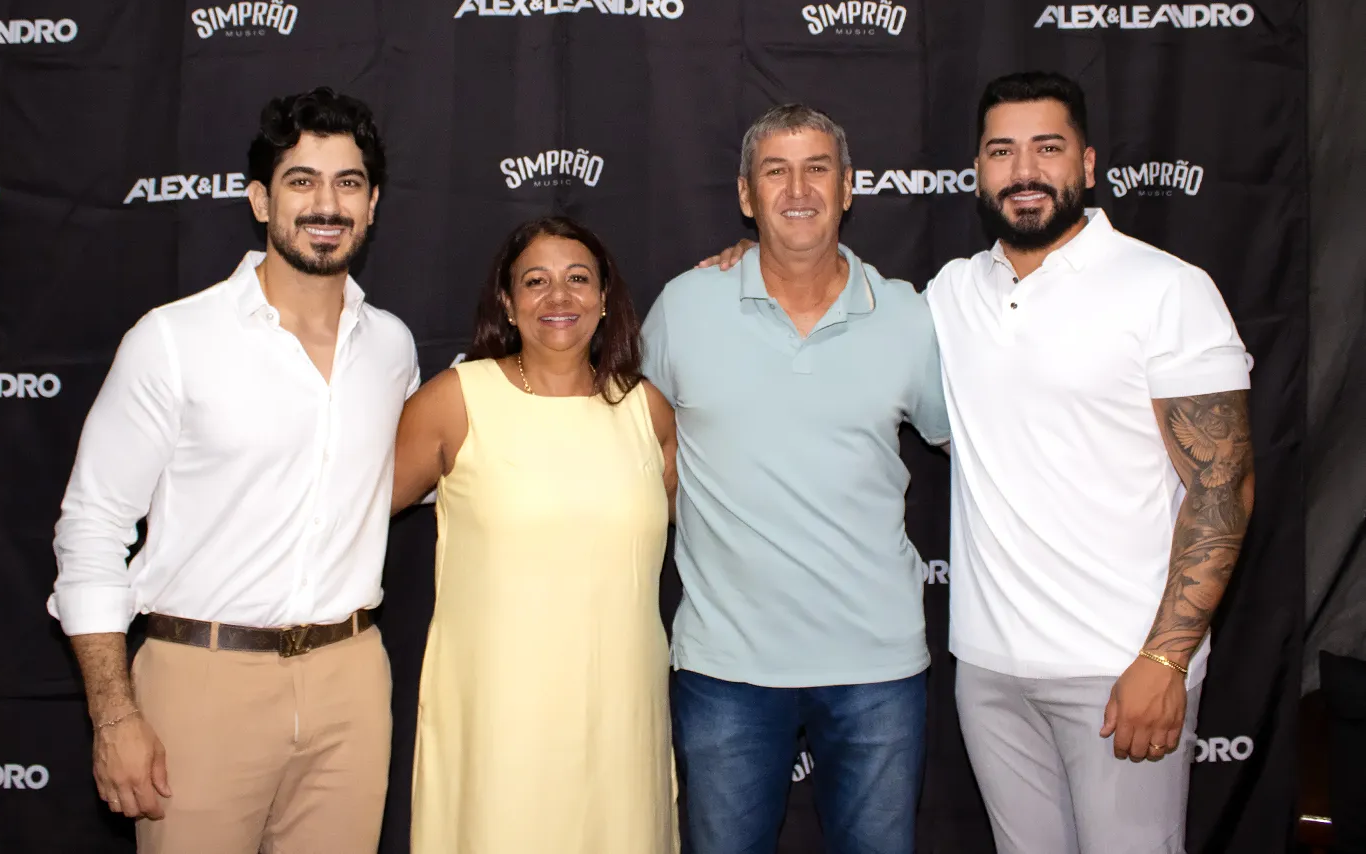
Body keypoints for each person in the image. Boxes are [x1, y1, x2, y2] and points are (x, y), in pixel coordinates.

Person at [708, 73, 1256, 854]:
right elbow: (832, 303)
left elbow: (1223, 484)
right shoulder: (951, 295)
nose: (1024, 170)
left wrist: (1166, 657)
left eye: (1047, 148)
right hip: (991, 672)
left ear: (1087, 164)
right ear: (977, 170)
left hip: (1121, 667)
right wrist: (755, 256)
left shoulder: (1166, 288)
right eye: (1002, 151)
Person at [48, 87, 417, 854]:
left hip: (350, 684)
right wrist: (114, 714)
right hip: (201, 681)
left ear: (373, 204)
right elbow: (92, 528)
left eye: (348, 183)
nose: (327, 204)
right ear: (260, 200)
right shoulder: (174, 340)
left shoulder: (392, 348)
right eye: (301, 181)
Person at [643, 104, 951, 854]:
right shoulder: (685, 305)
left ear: (847, 188)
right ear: (746, 196)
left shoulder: (908, 316)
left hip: (876, 664)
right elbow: (636, 446)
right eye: (775, 171)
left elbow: (973, 447)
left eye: (817, 169)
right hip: (726, 666)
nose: (798, 189)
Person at [392, 216, 680, 854]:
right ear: (507, 300)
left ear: (604, 298)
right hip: (500, 716)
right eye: (535, 281)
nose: (558, 297)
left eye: (578, 279)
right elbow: (351, 515)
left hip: (619, 712)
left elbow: (704, 523)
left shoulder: (647, 410)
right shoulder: (455, 400)